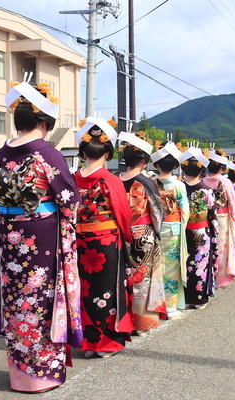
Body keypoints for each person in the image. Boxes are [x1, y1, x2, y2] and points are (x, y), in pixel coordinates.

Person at [0, 76, 82, 392]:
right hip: (40, 237)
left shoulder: (0, 154)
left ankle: (20, 375)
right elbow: (69, 198)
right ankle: (41, 375)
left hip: (8, 237)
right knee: (40, 300)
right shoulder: (45, 152)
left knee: (18, 302)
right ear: (43, 120)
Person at [74, 117, 133, 358]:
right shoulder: (111, 180)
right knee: (107, 291)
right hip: (106, 242)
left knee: (84, 290)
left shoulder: (72, 179)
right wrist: (128, 238)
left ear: (83, 152)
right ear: (107, 153)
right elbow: (122, 214)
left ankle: (88, 342)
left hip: (78, 241)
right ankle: (106, 343)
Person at [118, 131, 166, 334]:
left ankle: (125, 319)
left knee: (125, 276)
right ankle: (142, 322)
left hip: (120, 232)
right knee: (143, 278)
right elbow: (157, 212)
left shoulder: (115, 180)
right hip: (143, 233)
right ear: (144, 161)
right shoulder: (147, 183)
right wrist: (157, 232)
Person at [152, 142, 189, 319]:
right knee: (172, 268)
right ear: (175, 166)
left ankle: (157, 305)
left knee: (157, 266)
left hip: (155, 226)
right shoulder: (179, 185)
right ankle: (170, 307)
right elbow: (185, 210)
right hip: (173, 227)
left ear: (157, 165)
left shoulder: (152, 183)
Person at [181, 148, 217, 308]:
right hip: (201, 231)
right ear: (202, 171)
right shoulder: (207, 191)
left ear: (183, 169)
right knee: (200, 264)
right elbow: (212, 214)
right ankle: (198, 298)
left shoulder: (179, 188)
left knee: (183, 262)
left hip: (181, 230)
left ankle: (183, 297)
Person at [202, 150, 235, 287]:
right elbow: (232, 200)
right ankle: (221, 277)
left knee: (210, 245)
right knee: (222, 246)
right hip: (222, 216)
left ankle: (209, 275)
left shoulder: (203, 181)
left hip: (207, 216)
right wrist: (233, 217)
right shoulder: (225, 181)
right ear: (222, 168)